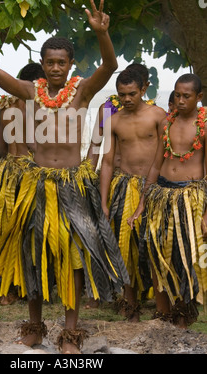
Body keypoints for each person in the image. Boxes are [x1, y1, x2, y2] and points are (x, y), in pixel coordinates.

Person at [0, 0, 129, 354]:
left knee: (72, 257)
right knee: (34, 255)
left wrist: (102, 33)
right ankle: (35, 328)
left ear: (71, 65)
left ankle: (70, 335)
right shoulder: (29, 92)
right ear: (42, 64)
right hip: (38, 185)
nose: (56, 68)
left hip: (72, 185)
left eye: (62, 62)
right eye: (50, 62)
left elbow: (111, 64)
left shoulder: (82, 91)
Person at [128, 73, 207, 327]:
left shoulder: (204, 125)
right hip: (161, 194)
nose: (181, 100)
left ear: (199, 97)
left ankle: (183, 315)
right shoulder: (166, 123)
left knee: (185, 259)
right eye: (177, 95)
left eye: (187, 96)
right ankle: (162, 315)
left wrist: (206, 213)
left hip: (189, 197)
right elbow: (156, 163)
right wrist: (143, 202)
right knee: (154, 251)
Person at [99, 69, 166, 321]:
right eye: (121, 94)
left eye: (132, 94)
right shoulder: (114, 121)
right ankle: (131, 308)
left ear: (144, 89)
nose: (127, 99)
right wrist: (104, 202)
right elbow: (107, 162)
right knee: (126, 249)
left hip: (156, 188)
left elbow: (165, 155)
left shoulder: (158, 116)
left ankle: (163, 311)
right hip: (125, 187)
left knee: (156, 247)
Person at [0, 62, 45, 305]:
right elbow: (38, 147)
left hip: (6, 173)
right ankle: (25, 287)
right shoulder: (39, 106)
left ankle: (8, 289)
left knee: (6, 230)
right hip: (30, 174)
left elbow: (2, 148)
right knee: (29, 232)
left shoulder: (5, 106)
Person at [87, 62, 155, 172]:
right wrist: (87, 176)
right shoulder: (108, 108)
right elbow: (95, 145)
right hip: (114, 174)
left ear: (144, 87)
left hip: (144, 177)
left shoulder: (154, 114)